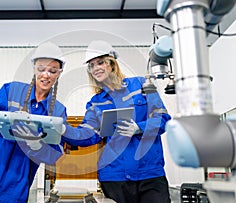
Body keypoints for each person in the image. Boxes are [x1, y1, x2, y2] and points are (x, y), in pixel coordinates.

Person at [62, 40, 171, 203]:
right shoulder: (95, 102)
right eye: (91, 65)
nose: (96, 68)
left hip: (150, 173)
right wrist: (63, 131)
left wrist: (139, 128)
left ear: (112, 64)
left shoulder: (141, 84)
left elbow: (162, 119)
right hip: (114, 175)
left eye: (100, 62)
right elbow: (88, 134)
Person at [0, 41, 67, 203]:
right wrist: (9, 118)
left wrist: (36, 144)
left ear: (59, 73)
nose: (46, 75)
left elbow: (54, 155)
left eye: (52, 71)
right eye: (41, 69)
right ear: (34, 69)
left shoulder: (58, 110)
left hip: (13, 191)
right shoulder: (11, 91)